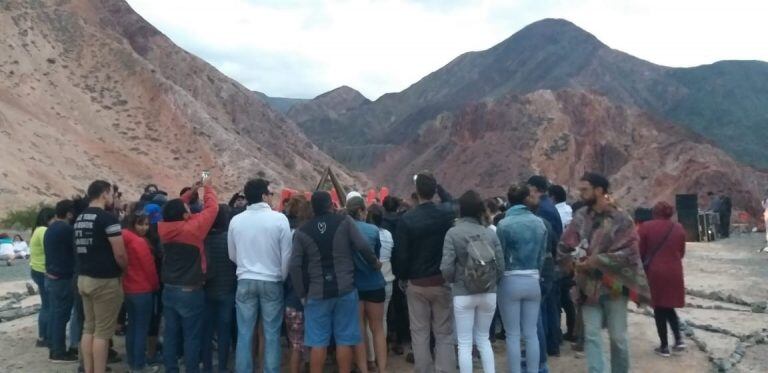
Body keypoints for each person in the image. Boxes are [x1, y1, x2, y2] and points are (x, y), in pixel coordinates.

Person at [557, 173, 651, 373]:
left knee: (618, 338)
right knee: (591, 336)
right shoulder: (581, 216)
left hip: (614, 287)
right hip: (587, 288)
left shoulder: (621, 219)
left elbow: (630, 253)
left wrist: (597, 261)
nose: (580, 194)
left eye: (585, 189)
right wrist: (572, 262)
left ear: (599, 190)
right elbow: (565, 245)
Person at [290, 191, 380, 373]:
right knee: (345, 340)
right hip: (345, 290)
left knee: (317, 342)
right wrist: (374, 263)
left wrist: (301, 293)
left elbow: (295, 266)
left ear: (313, 208)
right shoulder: (345, 222)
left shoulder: (302, 232)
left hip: (316, 293)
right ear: (331, 204)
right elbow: (362, 246)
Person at [392, 173, 457, 373]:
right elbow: (454, 202)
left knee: (419, 333)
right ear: (434, 190)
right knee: (444, 332)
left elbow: (401, 255)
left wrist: (402, 276)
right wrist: (440, 189)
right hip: (441, 280)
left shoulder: (407, 219)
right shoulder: (445, 213)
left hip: (417, 282)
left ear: (417, 191)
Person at [228, 179, 291, 373]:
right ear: (264, 196)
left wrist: (247, 268)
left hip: (245, 280)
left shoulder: (236, 221)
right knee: (271, 334)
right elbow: (286, 255)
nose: (272, 198)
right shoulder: (279, 219)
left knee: (245, 333)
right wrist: (281, 276)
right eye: (270, 194)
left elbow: (232, 255)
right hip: (272, 280)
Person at [158, 177, 219, 373]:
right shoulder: (194, 229)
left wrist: (192, 191)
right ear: (185, 216)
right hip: (190, 291)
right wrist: (207, 187)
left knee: (171, 334)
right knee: (191, 336)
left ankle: (171, 369)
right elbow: (212, 209)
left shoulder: (163, 228)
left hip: (169, 289)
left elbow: (173, 208)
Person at [440, 190, 504, 373]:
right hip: (488, 293)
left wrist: (454, 282)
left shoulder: (453, 233)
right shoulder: (490, 234)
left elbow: (446, 267)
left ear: (461, 209)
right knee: (484, 340)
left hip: (463, 293)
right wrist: (491, 282)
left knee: (465, 344)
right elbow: (501, 266)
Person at [75, 180, 128, 373]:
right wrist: (125, 269)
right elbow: (120, 253)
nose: (113, 198)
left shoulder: (80, 218)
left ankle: (88, 369)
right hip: (104, 280)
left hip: (84, 278)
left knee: (89, 328)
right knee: (103, 333)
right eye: (111, 194)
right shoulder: (107, 219)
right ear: (105, 193)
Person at [496, 184, 547, 373]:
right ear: (526, 199)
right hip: (533, 279)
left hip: (509, 280)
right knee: (531, 333)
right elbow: (542, 255)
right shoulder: (539, 223)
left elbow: (499, 256)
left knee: (512, 335)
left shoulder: (503, 224)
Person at [639, 202, 687, 357]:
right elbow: (681, 251)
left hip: (655, 272)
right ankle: (678, 339)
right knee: (669, 305)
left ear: (655, 212)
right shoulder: (678, 227)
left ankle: (664, 346)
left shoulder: (645, 227)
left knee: (659, 308)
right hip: (674, 271)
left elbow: (641, 252)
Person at [346, 196, 387, 373]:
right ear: (361, 211)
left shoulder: (344, 231)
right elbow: (377, 255)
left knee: (360, 330)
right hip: (375, 284)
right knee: (377, 329)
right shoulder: (373, 230)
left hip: (354, 286)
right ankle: (383, 369)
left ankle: (363, 369)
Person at [527, 175, 563, 360]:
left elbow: (547, 238)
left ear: (534, 189)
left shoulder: (543, 210)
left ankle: (544, 349)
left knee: (542, 310)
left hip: (544, 265)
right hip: (551, 263)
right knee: (550, 306)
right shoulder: (550, 207)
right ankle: (552, 344)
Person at [122, 209, 160, 373]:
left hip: (128, 289)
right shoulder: (139, 243)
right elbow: (149, 268)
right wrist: (155, 285)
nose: (144, 228)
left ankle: (132, 363)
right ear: (133, 224)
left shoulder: (123, 239)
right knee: (141, 329)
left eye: (146, 224)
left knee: (132, 327)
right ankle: (139, 365)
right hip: (143, 290)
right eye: (140, 224)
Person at [202, 204, 236, 373]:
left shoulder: (203, 239)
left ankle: (207, 367)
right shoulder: (229, 239)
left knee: (207, 332)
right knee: (224, 333)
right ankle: (222, 367)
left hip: (207, 292)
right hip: (227, 291)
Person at [44, 199, 78, 363]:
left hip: (52, 275)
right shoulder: (67, 229)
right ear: (70, 213)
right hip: (63, 277)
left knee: (56, 313)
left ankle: (54, 346)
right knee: (61, 316)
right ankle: (58, 352)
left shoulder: (51, 228)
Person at [283, 196, 313, 373]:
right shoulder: (315, 236)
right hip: (314, 298)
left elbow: (290, 267)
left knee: (296, 346)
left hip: (294, 298)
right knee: (314, 341)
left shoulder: (293, 235)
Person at [366, 203, 396, 367]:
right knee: (381, 320)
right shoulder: (388, 235)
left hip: (372, 280)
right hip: (388, 278)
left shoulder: (366, 234)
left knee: (368, 322)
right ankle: (380, 355)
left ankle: (370, 357)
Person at [29, 207, 55, 348]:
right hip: (43, 271)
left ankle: (43, 335)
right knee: (48, 306)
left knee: (46, 305)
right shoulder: (44, 231)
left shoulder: (36, 230)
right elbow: (51, 249)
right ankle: (46, 336)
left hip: (36, 269)